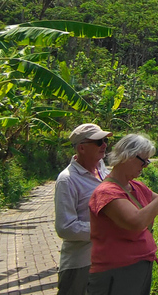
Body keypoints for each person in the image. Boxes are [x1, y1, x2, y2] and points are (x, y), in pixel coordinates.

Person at [87, 134, 158, 295]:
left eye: (148, 162)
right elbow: (136, 222)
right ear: (127, 156)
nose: (145, 166)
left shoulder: (136, 186)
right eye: (143, 161)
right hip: (116, 272)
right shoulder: (106, 193)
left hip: (139, 267)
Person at [54, 123, 113, 295]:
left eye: (105, 141)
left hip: (106, 259)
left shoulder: (103, 170)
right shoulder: (67, 180)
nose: (104, 145)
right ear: (81, 148)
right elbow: (65, 228)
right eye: (98, 142)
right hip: (80, 263)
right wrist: (106, 230)